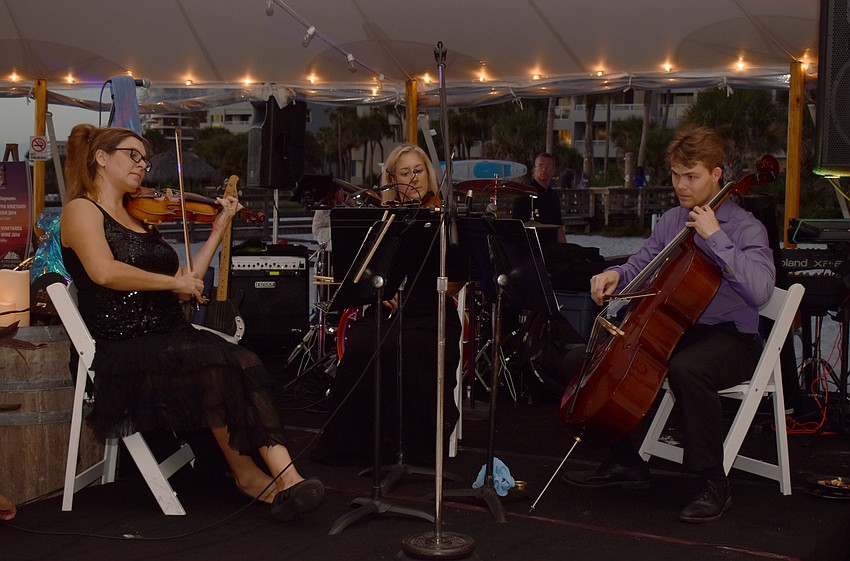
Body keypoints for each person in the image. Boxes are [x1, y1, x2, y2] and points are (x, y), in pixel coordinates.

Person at [59, 124, 324, 521]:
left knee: (244, 359)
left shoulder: (140, 218)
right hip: (125, 345)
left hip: (168, 335)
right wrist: (173, 281)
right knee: (215, 362)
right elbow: (104, 272)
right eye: (133, 155)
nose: (143, 166)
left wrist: (218, 230)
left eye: (145, 159)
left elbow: (187, 285)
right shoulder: (80, 209)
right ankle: (249, 476)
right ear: (101, 157)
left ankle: (289, 478)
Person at [562, 126, 775, 523]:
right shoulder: (673, 220)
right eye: (676, 175)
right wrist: (616, 275)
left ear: (717, 173)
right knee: (584, 359)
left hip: (733, 337)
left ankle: (715, 483)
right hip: (678, 327)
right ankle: (627, 461)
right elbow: (643, 263)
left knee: (688, 369)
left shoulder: (746, 228)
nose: (680, 185)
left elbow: (761, 291)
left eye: (691, 176)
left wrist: (716, 238)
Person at [312, 143, 465, 467]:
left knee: (410, 348)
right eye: (405, 173)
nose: (413, 179)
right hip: (388, 311)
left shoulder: (444, 216)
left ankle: (411, 449)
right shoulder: (383, 219)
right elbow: (363, 276)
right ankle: (363, 446)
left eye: (418, 171)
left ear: (429, 173)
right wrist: (381, 290)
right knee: (363, 346)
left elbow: (458, 280)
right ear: (392, 178)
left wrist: (440, 285)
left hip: (431, 313)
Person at [311, 179, 352, 252]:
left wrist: (352, 206)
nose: (344, 193)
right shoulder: (323, 209)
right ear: (336, 193)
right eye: (341, 190)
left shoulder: (343, 206)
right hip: (327, 240)